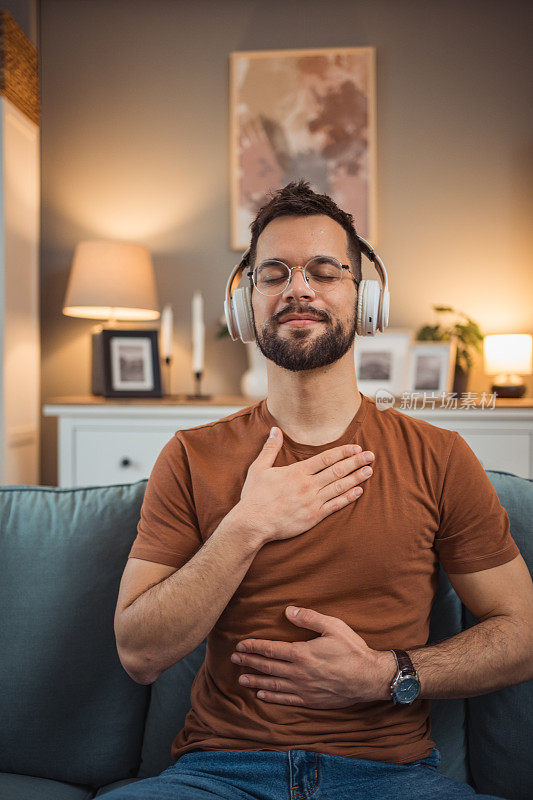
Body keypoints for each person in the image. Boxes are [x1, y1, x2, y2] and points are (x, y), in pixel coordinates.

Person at [111, 180, 532, 799]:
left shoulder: (440, 457)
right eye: (274, 272)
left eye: (325, 272)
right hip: (219, 774)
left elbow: (523, 633)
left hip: (391, 778)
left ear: (365, 301)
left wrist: (388, 674)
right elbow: (139, 654)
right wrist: (248, 524)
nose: (298, 288)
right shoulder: (190, 455)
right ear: (246, 304)